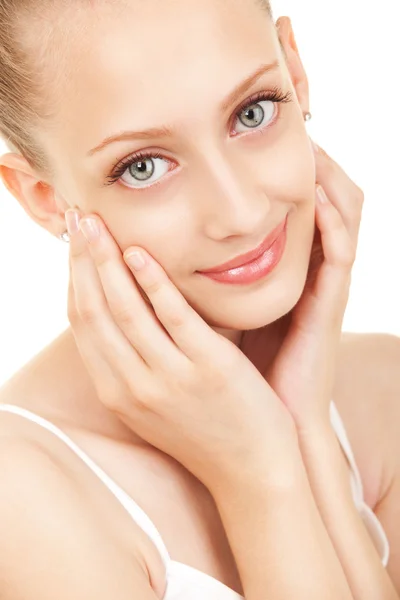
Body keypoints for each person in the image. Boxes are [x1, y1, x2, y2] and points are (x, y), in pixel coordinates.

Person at [0, 0, 399, 598]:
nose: (240, 213)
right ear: (44, 197)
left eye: (253, 111)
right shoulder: (22, 498)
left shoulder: (381, 391)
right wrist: (258, 475)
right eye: (143, 167)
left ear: (295, 72)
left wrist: (305, 428)